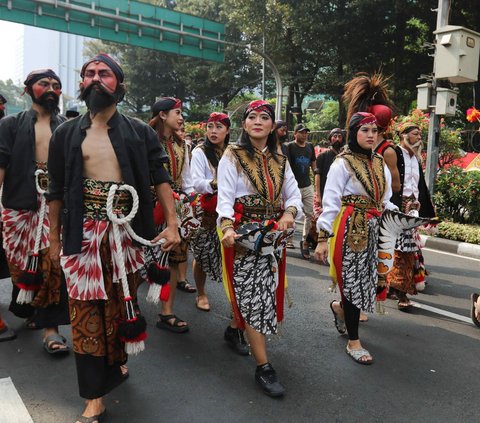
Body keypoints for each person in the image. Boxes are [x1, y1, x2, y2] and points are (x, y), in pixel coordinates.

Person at [47, 53, 179, 422]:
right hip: (82, 237)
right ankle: (93, 395)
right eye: (88, 74)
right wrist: (55, 241)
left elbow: (160, 178)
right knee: (84, 310)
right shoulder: (66, 133)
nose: (94, 78)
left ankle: (116, 361)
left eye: (104, 74)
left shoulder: (139, 131)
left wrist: (172, 224)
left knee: (122, 303)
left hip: (129, 235)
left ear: (119, 85)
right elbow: (55, 190)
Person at [217, 100, 302, 397]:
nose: (257, 121)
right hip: (242, 236)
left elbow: (292, 193)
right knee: (253, 298)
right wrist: (227, 227)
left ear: (271, 125)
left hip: (274, 238)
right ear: (244, 124)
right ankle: (263, 367)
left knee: (263, 293)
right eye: (251, 117)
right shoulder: (233, 155)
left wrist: (289, 213)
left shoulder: (280, 158)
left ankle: (233, 328)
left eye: (263, 117)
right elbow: (225, 196)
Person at [314, 112, 397, 365]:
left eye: (374, 131)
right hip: (350, 227)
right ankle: (353, 341)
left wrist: (403, 217)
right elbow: (330, 202)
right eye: (365, 131)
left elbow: (386, 199)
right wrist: (321, 237)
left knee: (367, 282)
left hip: (376, 228)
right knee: (352, 283)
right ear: (354, 133)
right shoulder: (342, 163)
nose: (371, 135)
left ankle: (339, 308)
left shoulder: (380, 162)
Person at [0, 69, 70, 353]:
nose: (51, 88)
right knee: (23, 266)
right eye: (44, 84)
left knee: (52, 264)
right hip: (19, 206)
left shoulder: (65, 125)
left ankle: (51, 331)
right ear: (27, 90)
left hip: (54, 206)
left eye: (56, 85)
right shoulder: (10, 124)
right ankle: (27, 309)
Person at [149, 97, 195, 333]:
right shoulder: (145, 141)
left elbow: (186, 180)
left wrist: (190, 201)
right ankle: (129, 306)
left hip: (175, 210)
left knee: (175, 258)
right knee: (143, 259)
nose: (181, 117)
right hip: (149, 208)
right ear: (163, 115)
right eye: (177, 112)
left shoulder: (182, 145)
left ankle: (167, 311)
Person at [387, 120, 435, 309]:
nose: (418, 137)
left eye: (419, 134)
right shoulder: (393, 153)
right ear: (403, 135)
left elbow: (420, 186)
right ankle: (400, 293)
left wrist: (427, 209)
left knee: (406, 250)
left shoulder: (416, 158)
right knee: (400, 250)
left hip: (412, 210)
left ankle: (396, 288)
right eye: (415, 133)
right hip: (395, 208)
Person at [285, 123, 316, 260]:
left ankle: (304, 241)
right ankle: (288, 239)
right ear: (295, 134)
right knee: (291, 212)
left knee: (310, 214)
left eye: (306, 133)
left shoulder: (310, 147)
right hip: (293, 186)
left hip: (307, 185)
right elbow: (286, 166)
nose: (304, 135)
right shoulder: (289, 147)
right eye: (302, 132)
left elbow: (314, 164)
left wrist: (317, 178)